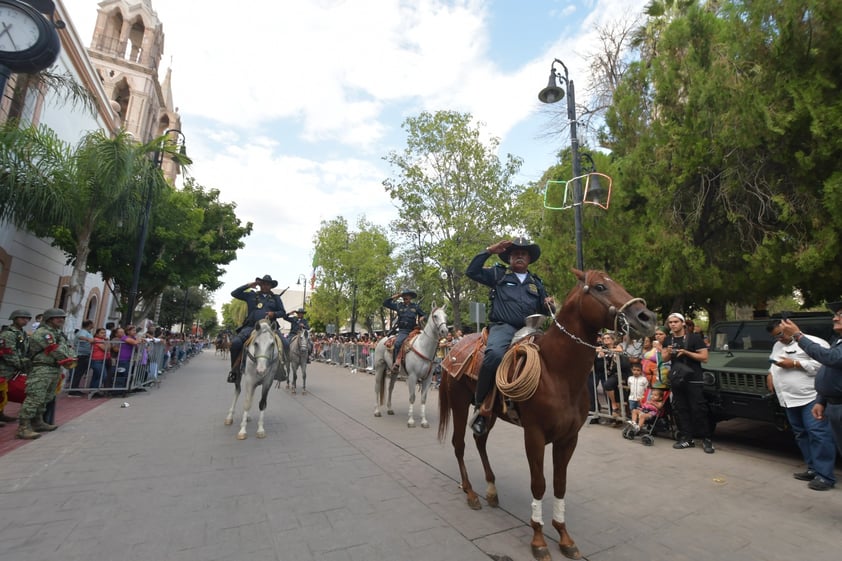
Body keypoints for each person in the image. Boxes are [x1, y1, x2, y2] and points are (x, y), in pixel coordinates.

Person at [466, 237, 552, 436]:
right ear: (509, 258)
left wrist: (550, 305)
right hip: (504, 328)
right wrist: (488, 250)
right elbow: (472, 271)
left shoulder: (536, 283)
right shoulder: (499, 274)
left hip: (530, 329)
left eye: (523, 253)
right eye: (515, 254)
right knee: (494, 355)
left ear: (529, 258)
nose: (519, 256)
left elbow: (544, 310)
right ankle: (480, 407)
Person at [766, 318, 836, 491]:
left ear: (790, 327)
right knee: (801, 434)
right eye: (775, 336)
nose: (779, 339)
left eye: (781, 334)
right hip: (788, 399)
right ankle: (812, 469)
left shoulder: (814, 342)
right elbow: (774, 363)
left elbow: (827, 366)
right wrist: (769, 374)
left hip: (810, 398)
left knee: (818, 434)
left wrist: (796, 363)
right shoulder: (778, 345)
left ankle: (825, 476)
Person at [781, 302, 842, 491]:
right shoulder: (838, 341)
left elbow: (829, 358)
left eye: (840, 314)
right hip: (832, 404)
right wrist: (821, 400)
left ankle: (825, 475)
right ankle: (816, 471)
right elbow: (830, 370)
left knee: (818, 435)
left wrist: (798, 336)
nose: (835, 317)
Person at [17, 308, 76, 439]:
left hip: (54, 368)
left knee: (46, 398)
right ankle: (23, 427)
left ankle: (37, 422)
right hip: (41, 368)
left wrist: (71, 358)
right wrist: (66, 360)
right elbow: (54, 350)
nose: (61, 320)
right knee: (35, 398)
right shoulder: (43, 333)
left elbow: (68, 347)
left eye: (63, 318)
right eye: (57, 317)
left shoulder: (58, 333)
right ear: (49, 319)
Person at [662, 312, 715, 453]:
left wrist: (686, 352)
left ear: (683, 323)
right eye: (670, 322)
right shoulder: (668, 339)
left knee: (698, 409)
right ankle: (687, 438)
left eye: (676, 322)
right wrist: (668, 352)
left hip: (694, 378)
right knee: (681, 409)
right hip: (677, 379)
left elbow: (704, 357)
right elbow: (664, 358)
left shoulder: (695, 338)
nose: (673, 324)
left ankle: (706, 439)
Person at [228, 275, 287, 382]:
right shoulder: (251, 295)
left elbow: (283, 312)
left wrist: (274, 314)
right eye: (263, 283)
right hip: (252, 327)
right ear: (260, 285)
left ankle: (280, 370)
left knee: (286, 344)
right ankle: (234, 370)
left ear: (271, 286)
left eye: (267, 284)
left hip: (270, 328)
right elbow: (234, 293)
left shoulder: (276, 298)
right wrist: (248, 285)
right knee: (235, 343)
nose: (265, 286)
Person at [0, 310, 33, 426]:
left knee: (4, 393)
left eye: (27, 318)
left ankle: (1, 414)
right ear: (14, 318)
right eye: (23, 318)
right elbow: (9, 353)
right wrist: (21, 364)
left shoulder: (22, 333)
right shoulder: (8, 334)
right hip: (4, 368)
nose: (26, 320)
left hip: (14, 369)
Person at [382, 289, 426, 374]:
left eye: (407, 296)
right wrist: (396, 296)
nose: (405, 297)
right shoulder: (398, 306)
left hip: (413, 330)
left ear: (410, 297)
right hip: (403, 331)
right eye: (403, 296)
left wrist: (423, 317)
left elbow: (425, 314)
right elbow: (385, 303)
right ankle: (395, 364)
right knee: (398, 343)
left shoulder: (415, 307)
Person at [69, 319, 94, 395]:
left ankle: (74, 388)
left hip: (84, 354)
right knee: (78, 372)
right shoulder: (83, 332)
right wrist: (88, 339)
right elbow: (81, 337)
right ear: (89, 324)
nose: (93, 325)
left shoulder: (87, 332)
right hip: (81, 355)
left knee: (79, 373)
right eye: (92, 324)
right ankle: (73, 390)